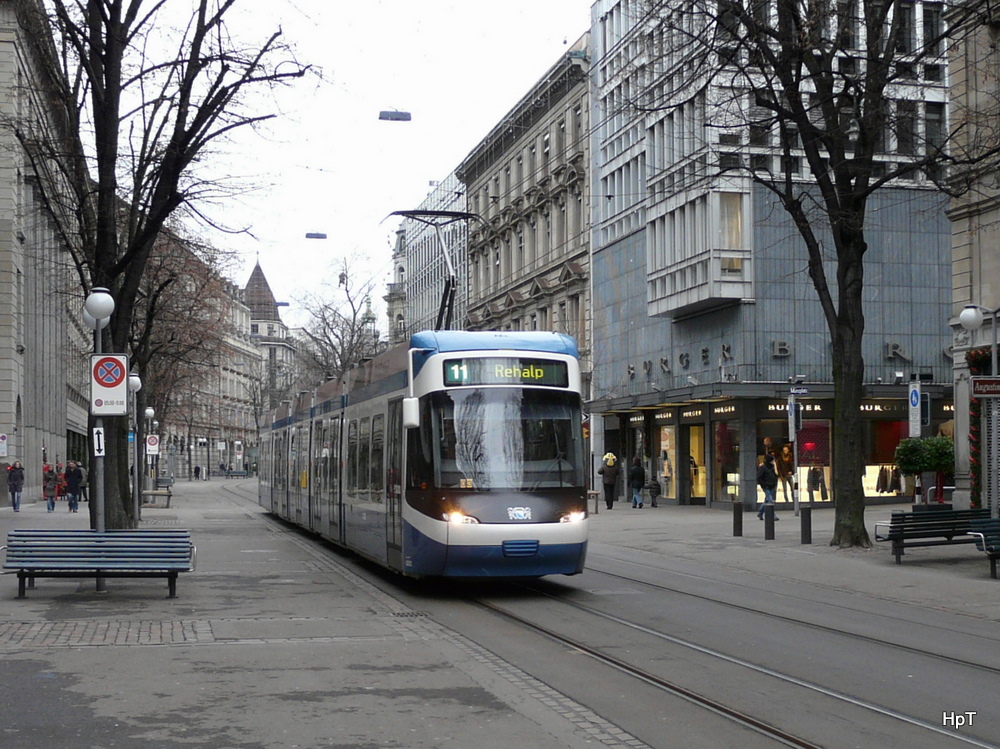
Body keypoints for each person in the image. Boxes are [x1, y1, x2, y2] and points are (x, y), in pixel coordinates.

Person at [756, 453, 780, 520]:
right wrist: (763, 484)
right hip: (766, 486)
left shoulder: (772, 467)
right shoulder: (763, 468)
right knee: (770, 500)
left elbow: (776, 475)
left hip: (772, 486)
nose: (773, 462)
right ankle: (772, 515)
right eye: (772, 461)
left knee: (767, 500)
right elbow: (759, 477)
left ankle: (760, 513)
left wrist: (774, 483)